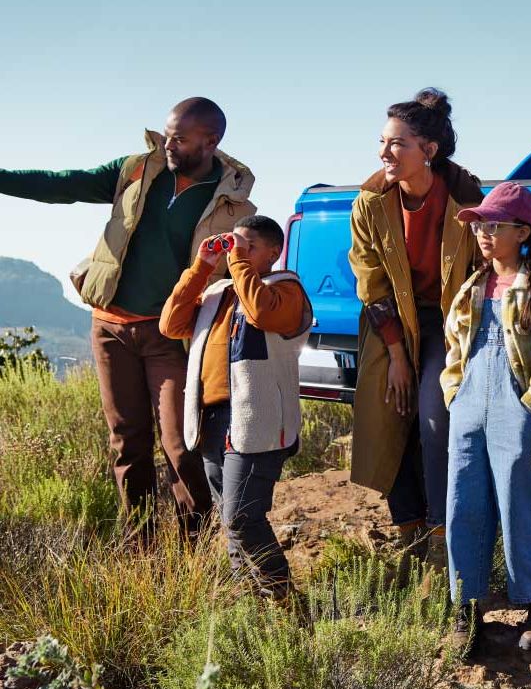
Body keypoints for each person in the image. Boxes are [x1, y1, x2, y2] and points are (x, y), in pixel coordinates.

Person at [0, 97, 255, 538]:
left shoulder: (234, 206)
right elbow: (63, 184)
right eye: (166, 133)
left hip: (169, 336)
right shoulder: (137, 169)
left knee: (181, 443)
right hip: (110, 327)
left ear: (210, 141)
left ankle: (193, 546)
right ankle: (141, 544)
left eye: (179, 138)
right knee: (127, 440)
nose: (167, 144)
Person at [441, 181, 531, 652]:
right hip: (469, 406)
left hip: (516, 408)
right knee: (463, 501)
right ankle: (465, 607)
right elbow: (456, 348)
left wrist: (530, 407)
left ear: (522, 232)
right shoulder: (472, 288)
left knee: (520, 502)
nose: (483, 232)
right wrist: (454, 392)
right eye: (480, 224)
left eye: (495, 225)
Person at [348, 88, 483, 572]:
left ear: (428, 150)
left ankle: (444, 540)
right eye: (382, 142)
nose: (384, 153)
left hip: (450, 326)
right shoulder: (370, 202)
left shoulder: (466, 198)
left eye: (396, 144)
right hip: (391, 324)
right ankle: (408, 537)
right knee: (391, 418)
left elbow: (486, 269)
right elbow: (371, 281)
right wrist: (398, 358)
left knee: (434, 422)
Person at [159, 215, 312, 599]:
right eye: (233, 247)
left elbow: (262, 313)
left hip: (256, 420)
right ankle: (252, 605)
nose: (235, 255)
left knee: (242, 517)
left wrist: (239, 262)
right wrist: (201, 267)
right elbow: (171, 323)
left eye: (248, 248)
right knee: (232, 520)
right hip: (211, 419)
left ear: (273, 253)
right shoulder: (218, 294)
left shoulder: (285, 288)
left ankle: (284, 601)